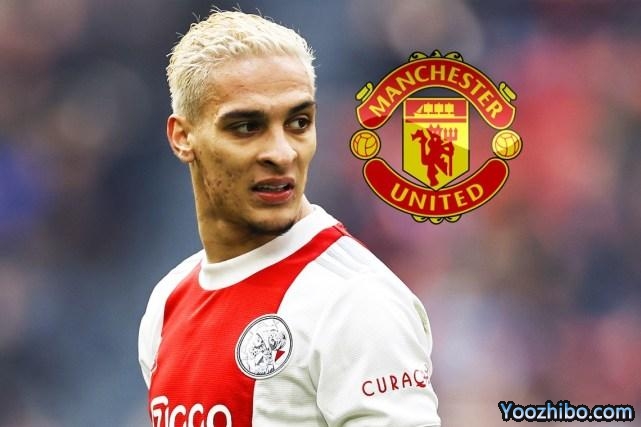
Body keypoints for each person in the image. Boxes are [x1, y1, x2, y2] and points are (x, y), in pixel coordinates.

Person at [138, 9, 441, 427]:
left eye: (299, 123)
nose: (282, 153)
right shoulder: (167, 301)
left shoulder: (356, 302)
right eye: (247, 127)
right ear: (182, 137)